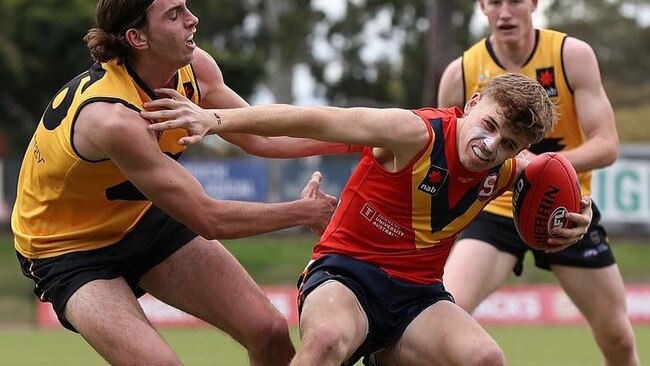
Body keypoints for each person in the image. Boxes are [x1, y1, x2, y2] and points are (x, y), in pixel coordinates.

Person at [142, 72, 593, 366]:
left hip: (418, 298)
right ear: (472, 104)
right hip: (345, 275)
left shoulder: (509, 169)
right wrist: (214, 118)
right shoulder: (411, 132)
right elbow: (315, 120)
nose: (492, 145)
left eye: (509, 143)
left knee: (486, 360)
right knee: (324, 345)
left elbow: (556, 186)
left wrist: (580, 218)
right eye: (490, 125)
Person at [10, 0, 344, 365]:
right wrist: (304, 211)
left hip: (138, 218)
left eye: (186, 6)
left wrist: (360, 137)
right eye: (174, 14)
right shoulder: (113, 118)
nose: (193, 19)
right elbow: (209, 218)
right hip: (67, 249)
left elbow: (262, 136)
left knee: (269, 330)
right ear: (137, 37)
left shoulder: (195, 68)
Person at [437, 1, 640, 365]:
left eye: (515, 0)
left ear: (533, 3)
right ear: (482, 6)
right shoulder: (461, 73)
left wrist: (542, 168)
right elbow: (447, 153)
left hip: (566, 209)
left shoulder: (571, 56)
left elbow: (607, 144)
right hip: (493, 209)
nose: (505, 12)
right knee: (443, 316)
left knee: (619, 337)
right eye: (494, 2)